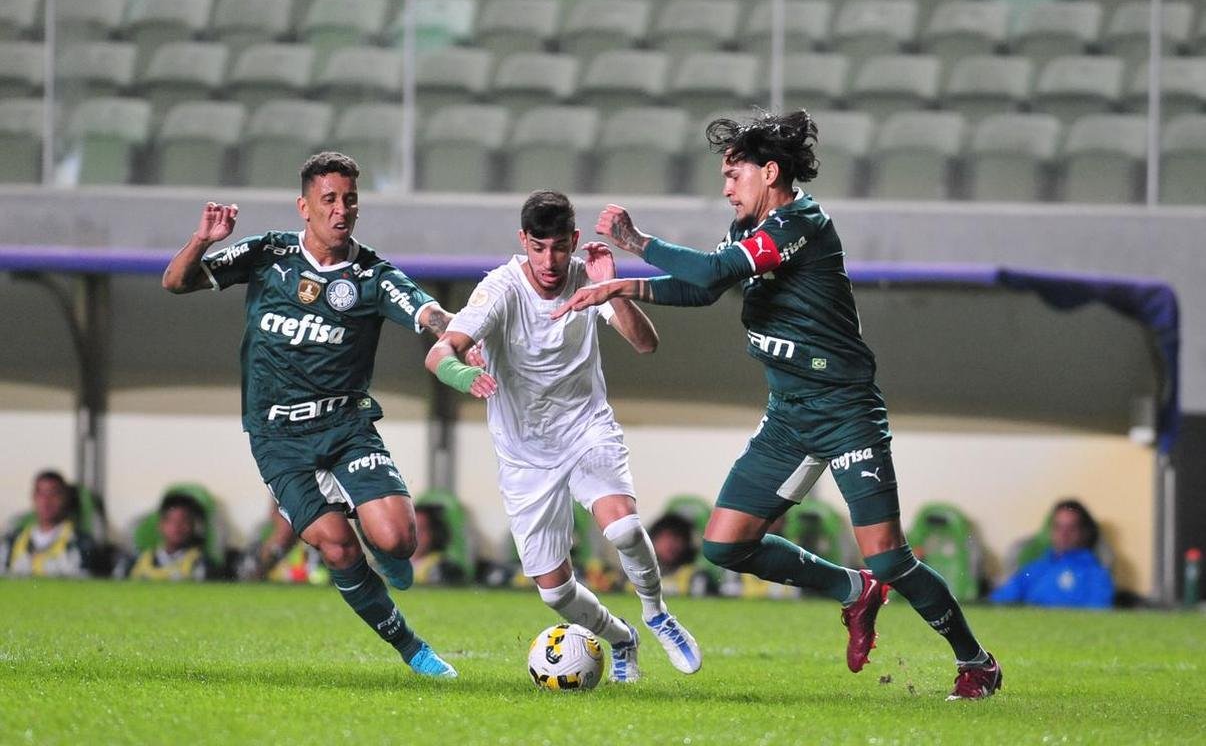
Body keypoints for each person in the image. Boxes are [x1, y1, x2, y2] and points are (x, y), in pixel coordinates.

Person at [551, 110, 1002, 700]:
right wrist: (619, 286)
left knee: (890, 558)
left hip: (844, 409)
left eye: (733, 174)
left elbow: (714, 271)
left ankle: (977, 663)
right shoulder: (746, 230)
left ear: (769, 172)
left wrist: (637, 245)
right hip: (789, 412)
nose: (725, 187)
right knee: (725, 544)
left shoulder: (801, 223)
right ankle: (851, 589)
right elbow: (706, 286)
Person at [162, 151, 457, 677]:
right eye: (329, 200)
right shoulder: (268, 253)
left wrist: (462, 334)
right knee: (338, 550)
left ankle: (383, 543)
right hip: (277, 437)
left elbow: (426, 311)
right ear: (305, 206)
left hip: (345, 426)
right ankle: (415, 650)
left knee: (398, 540)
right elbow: (177, 282)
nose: (341, 210)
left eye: (350, 200)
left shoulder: (371, 274)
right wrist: (204, 239)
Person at [425, 190, 702, 683]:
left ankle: (657, 613)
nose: (549, 261)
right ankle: (621, 638)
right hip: (525, 452)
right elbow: (441, 352)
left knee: (622, 527)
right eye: (538, 248)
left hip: (584, 428)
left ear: (574, 241)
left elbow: (645, 344)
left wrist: (612, 286)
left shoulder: (585, 276)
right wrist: (465, 376)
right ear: (523, 242)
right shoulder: (499, 290)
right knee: (554, 591)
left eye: (557, 247)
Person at [990, 499, 1114, 608]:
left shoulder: (1095, 574)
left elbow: (1099, 615)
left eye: (1071, 528)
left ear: (1083, 532)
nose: (1063, 534)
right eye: (1058, 527)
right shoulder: (1036, 568)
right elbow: (999, 601)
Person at [0, 469, 98, 578]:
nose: (46, 501)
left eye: (54, 494)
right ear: (33, 497)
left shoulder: (80, 542)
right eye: (41, 494)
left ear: (64, 498)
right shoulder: (13, 540)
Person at [114, 492, 214, 581]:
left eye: (184, 521)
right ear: (160, 525)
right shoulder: (135, 560)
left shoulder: (199, 563)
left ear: (193, 527)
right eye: (171, 521)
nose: (177, 527)